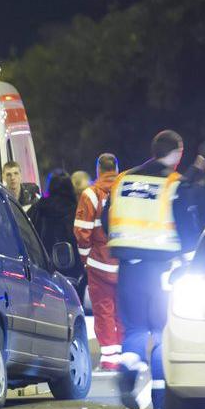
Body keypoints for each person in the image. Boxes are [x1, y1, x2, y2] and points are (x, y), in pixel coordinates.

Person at [106, 130, 185, 409]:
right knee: (163, 333)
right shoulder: (173, 184)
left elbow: (108, 220)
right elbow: (185, 226)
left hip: (129, 268)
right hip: (162, 271)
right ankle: (161, 401)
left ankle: (127, 376)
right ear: (177, 153)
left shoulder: (123, 179)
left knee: (135, 329)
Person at [75, 153, 122, 369]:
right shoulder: (125, 190)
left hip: (99, 263)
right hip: (123, 263)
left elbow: (82, 233)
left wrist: (86, 259)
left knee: (104, 311)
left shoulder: (90, 195)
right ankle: (123, 354)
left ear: (98, 170)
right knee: (122, 309)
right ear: (116, 168)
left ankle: (109, 359)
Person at [29, 169, 80, 281]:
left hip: (45, 269)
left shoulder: (38, 208)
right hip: (74, 270)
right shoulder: (77, 210)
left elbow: (27, 235)